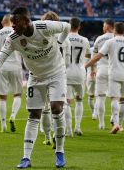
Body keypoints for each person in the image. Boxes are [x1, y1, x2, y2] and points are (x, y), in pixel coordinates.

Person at [0, 7, 70, 168]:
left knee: (56, 108)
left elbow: (66, 27)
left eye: (16, 22)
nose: (13, 26)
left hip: (56, 73)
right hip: (35, 77)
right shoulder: (13, 38)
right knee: (34, 114)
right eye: (12, 23)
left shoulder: (44, 27)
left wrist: (59, 42)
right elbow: (1, 57)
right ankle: (26, 157)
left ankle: (60, 151)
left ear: (26, 21)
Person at [86, 22, 124, 134]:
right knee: (123, 101)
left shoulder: (110, 42)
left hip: (114, 73)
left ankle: (115, 124)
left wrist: (86, 66)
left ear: (114, 30)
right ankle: (120, 124)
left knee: (114, 99)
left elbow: (98, 56)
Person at [39, 11, 71, 146]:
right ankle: (56, 134)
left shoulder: (41, 36)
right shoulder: (66, 39)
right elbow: (68, 61)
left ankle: (47, 137)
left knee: (45, 107)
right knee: (59, 106)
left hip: (43, 73)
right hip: (59, 74)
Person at [0, 14, 23, 133]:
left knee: (2, 97)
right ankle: (12, 116)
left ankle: (3, 125)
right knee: (17, 94)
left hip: (1, 67)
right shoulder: (18, 32)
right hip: (16, 66)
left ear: (2, 22)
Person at [65, 17, 90, 136]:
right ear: (79, 27)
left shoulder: (64, 38)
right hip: (80, 73)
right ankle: (78, 127)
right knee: (79, 101)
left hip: (66, 73)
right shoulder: (85, 40)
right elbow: (88, 56)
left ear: (69, 26)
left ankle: (69, 130)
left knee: (67, 103)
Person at [92, 19, 115, 129]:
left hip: (101, 69)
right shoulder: (118, 39)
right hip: (114, 70)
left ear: (106, 27)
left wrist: (92, 69)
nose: (102, 28)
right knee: (115, 98)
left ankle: (101, 124)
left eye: (103, 26)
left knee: (100, 97)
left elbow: (94, 56)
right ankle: (113, 119)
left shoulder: (99, 39)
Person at [86, 47, 97, 120]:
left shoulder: (89, 50)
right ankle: (95, 112)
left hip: (91, 74)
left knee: (91, 95)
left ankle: (94, 112)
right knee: (100, 96)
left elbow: (86, 62)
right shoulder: (104, 48)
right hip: (99, 73)